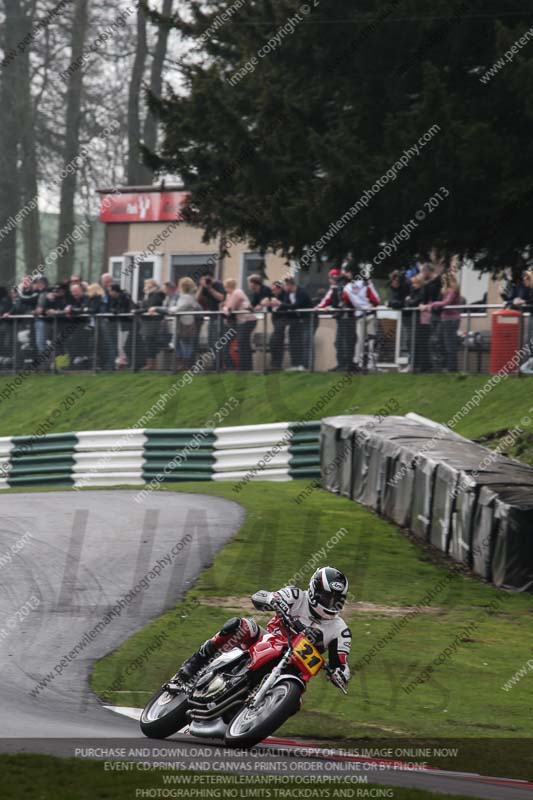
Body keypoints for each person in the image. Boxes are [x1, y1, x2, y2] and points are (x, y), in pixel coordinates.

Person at [177, 566, 352, 689]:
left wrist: (341, 674)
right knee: (240, 626)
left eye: (336, 600)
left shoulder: (340, 630)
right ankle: (196, 663)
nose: (331, 603)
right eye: (327, 597)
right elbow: (261, 596)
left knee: (295, 702)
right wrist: (272, 600)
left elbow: (342, 664)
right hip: (268, 639)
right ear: (315, 591)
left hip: (295, 669)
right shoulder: (296, 595)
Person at [421, 271, 461, 372]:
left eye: (444, 280)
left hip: (451, 320)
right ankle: (444, 366)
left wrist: (432, 304)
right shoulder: (445, 290)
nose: (442, 282)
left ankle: (451, 368)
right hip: (444, 319)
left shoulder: (452, 290)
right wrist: (431, 305)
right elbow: (442, 302)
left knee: (449, 345)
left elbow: (446, 302)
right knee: (439, 342)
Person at [342, 275, 380, 370]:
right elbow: (376, 300)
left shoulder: (346, 287)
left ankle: (359, 363)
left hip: (359, 315)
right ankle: (371, 364)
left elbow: (345, 300)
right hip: (370, 314)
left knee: (360, 341)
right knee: (371, 340)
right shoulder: (365, 284)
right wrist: (370, 284)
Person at [316, 268, 350, 371]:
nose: (329, 280)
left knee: (344, 342)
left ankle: (346, 365)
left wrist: (318, 308)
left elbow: (327, 299)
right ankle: (341, 364)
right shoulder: (338, 286)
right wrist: (330, 307)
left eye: (330, 278)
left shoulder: (338, 286)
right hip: (342, 318)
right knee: (339, 342)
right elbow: (331, 300)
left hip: (346, 318)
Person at [222, 278, 257, 370]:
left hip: (248, 320)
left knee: (242, 342)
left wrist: (225, 309)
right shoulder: (229, 295)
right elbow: (227, 307)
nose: (225, 289)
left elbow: (230, 308)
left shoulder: (237, 292)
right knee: (243, 343)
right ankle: (244, 367)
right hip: (241, 321)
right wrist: (225, 308)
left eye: (226, 287)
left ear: (229, 286)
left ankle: (245, 367)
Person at [281, 277, 313, 370]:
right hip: (299, 321)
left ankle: (306, 365)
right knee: (295, 341)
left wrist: (280, 304)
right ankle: (296, 364)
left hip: (309, 319)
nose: (284, 288)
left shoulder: (302, 292)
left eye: (285, 285)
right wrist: (279, 305)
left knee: (307, 341)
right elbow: (285, 305)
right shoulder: (288, 294)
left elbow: (295, 305)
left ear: (290, 285)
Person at [196, 270, 226, 367]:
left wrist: (210, 288)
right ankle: (215, 364)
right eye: (204, 279)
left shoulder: (218, 284)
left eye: (208, 279)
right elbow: (196, 299)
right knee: (211, 342)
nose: (207, 281)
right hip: (212, 317)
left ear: (212, 278)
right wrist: (201, 286)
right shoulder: (204, 287)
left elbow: (221, 298)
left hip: (220, 317)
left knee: (218, 341)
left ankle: (219, 365)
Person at [171, 277, 203, 369]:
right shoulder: (187, 296)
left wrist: (172, 309)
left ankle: (186, 364)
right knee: (180, 343)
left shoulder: (188, 297)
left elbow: (179, 308)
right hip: (182, 323)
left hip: (186, 324)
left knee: (186, 344)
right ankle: (182, 363)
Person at [139, 279, 166, 370]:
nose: (145, 287)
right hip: (147, 322)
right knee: (148, 342)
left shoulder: (156, 295)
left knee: (150, 343)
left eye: (146, 285)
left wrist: (139, 311)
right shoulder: (148, 295)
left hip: (153, 322)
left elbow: (150, 306)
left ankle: (152, 364)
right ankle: (150, 363)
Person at [266, 280, 290, 369]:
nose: (272, 291)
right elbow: (269, 309)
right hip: (275, 320)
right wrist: (269, 305)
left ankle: (276, 364)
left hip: (283, 319)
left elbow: (287, 306)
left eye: (274, 289)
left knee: (275, 341)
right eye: (271, 290)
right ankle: (275, 364)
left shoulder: (285, 295)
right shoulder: (272, 296)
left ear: (279, 289)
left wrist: (278, 304)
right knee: (274, 343)